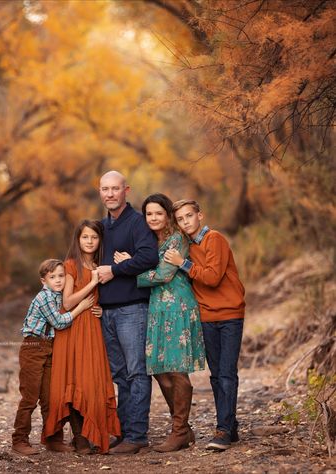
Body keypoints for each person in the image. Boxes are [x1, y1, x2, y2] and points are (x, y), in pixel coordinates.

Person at [115, 193, 206, 452]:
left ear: (167, 215)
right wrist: (134, 264)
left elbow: (164, 275)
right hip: (157, 307)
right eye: (149, 214)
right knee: (159, 370)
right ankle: (184, 429)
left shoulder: (176, 239)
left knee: (176, 369)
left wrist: (128, 270)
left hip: (177, 306)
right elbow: (150, 269)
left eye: (158, 213)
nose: (153, 218)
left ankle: (179, 431)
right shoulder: (151, 241)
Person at [164, 199, 245, 451]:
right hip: (207, 317)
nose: (186, 221)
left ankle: (222, 429)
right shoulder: (185, 246)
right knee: (217, 374)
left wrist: (182, 263)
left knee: (227, 373)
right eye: (180, 218)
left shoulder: (215, 239)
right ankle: (230, 427)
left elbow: (211, 277)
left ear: (200, 215)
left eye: (189, 216)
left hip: (230, 314)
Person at [45, 220, 121, 454]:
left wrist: (100, 309)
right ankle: (79, 438)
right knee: (74, 379)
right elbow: (67, 302)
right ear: (78, 240)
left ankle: (93, 432)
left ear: (100, 240)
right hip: (72, 327)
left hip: (92, 327)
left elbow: (103, 297)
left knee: (92, 381)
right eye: (85, 237)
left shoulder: (101, 265)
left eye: (94, 237)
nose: (89, 241)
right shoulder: (71, 265)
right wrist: (93, 283)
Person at [96, 170, 159, 455]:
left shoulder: (137, 223)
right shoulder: (100, 227)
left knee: (136, 373)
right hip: (105, 311)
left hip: (132, 310)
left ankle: (137, 435)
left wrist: (116, 269)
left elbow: (149, 257)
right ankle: (121, 433)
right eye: (105, 189)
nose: (110, 194)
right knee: (119, 375)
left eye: (115, 189)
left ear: (126, 191)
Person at [11, 259, 94, 456]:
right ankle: (19, 439)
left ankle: (53, 439)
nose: (58, 280)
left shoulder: (61, 297)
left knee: (50, 398)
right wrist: (81, 307)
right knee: (30, 397)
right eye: (52, 277)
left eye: (61, 276)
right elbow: (59, 322)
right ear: (43, 281)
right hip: (33, 347)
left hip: (50, 348)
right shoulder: (45, 297)